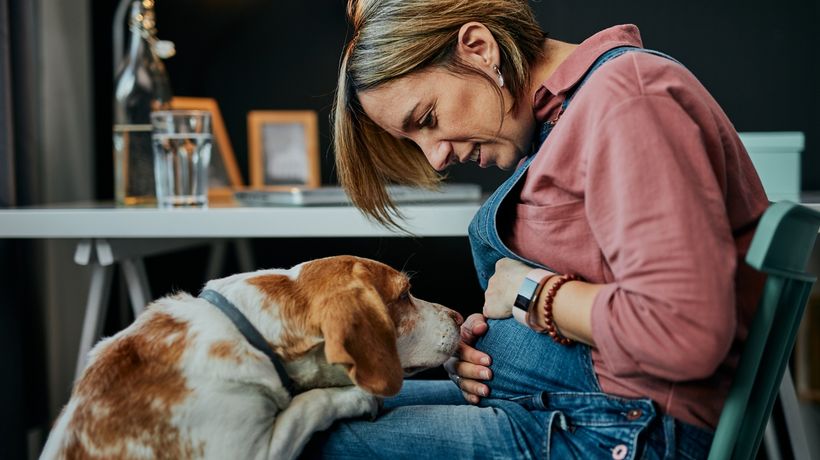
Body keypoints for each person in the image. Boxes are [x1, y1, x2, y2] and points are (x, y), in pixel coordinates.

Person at [306, 0, 769, 458]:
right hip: (575, 410)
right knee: (315, 410)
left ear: (479, 48)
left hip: (623, 430)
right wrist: (483, 351)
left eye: (428, 120)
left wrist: (532, 292)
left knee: (314, 442)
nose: (435, 158)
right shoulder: (564, 115)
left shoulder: (628, 102)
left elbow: (684, 329)